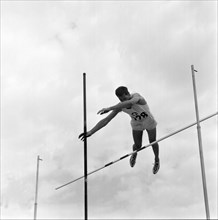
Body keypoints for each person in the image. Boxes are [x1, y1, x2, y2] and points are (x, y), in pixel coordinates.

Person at [79, 86, 160, 174]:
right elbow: (106, 120)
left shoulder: (137, 97)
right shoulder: (120, 106)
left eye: (125, 98)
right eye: (121, 100)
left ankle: (156, 160)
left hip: (148, 120)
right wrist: (91, 131)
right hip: (136, 123)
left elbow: (131, 102)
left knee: (152, 141)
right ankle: (134, 153)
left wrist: (110, 108)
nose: (124, 101)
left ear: (128, 94)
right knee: (138, 145)